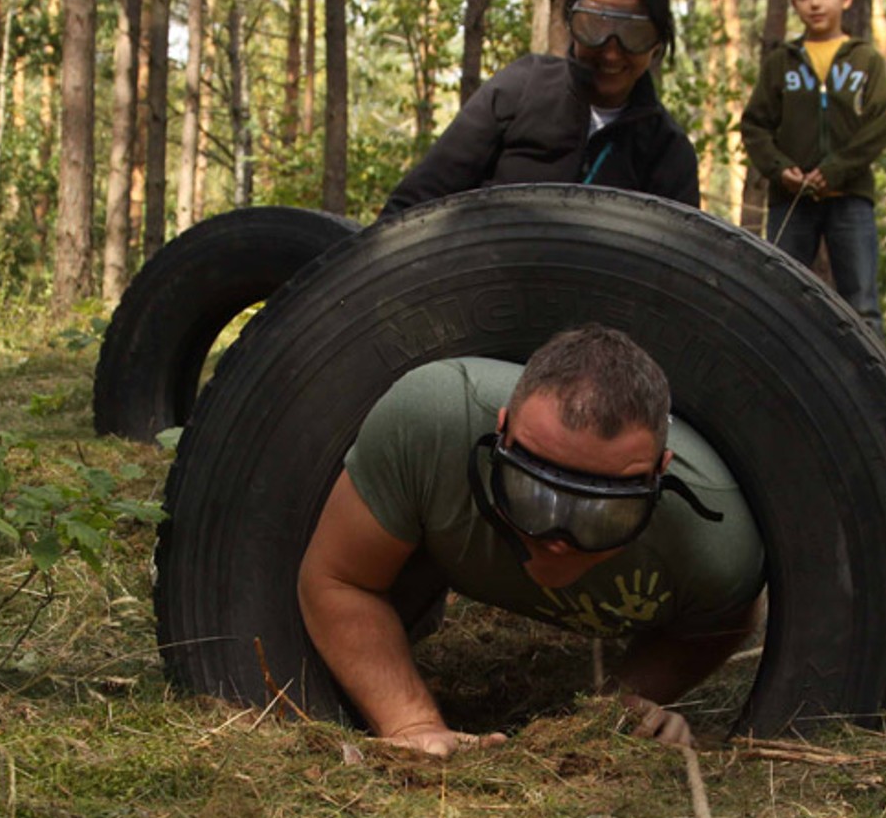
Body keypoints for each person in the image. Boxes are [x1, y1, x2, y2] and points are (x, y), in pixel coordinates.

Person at [297, 324, 764, 757]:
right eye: (532, 492)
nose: (559, 539)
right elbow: (340, 579)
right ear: (498, 432)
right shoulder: (429, 427)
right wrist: (412, 725)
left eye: (604, 512)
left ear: (659, 476)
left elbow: (715, 628)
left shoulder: (716, 539)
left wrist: (621, 708)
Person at [379, 0, 701, 216]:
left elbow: (680, 265)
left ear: (657, 43)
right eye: (593, 27)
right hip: (481, 274)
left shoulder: (668, 152)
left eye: (634, 34)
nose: (611, 52)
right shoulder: (520, 89)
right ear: (571, 25)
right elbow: (415, 203)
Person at [740, 0, 886, 330]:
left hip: (850, 197)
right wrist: (780, 169)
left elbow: (879, 123)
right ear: (794, 2)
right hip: (791, 199)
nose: (815, 3)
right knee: (779, 296)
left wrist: (836, 170)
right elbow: (755, 125)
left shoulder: (864, 60)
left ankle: (868, 372)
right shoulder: (782, 62)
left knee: (862, 304)